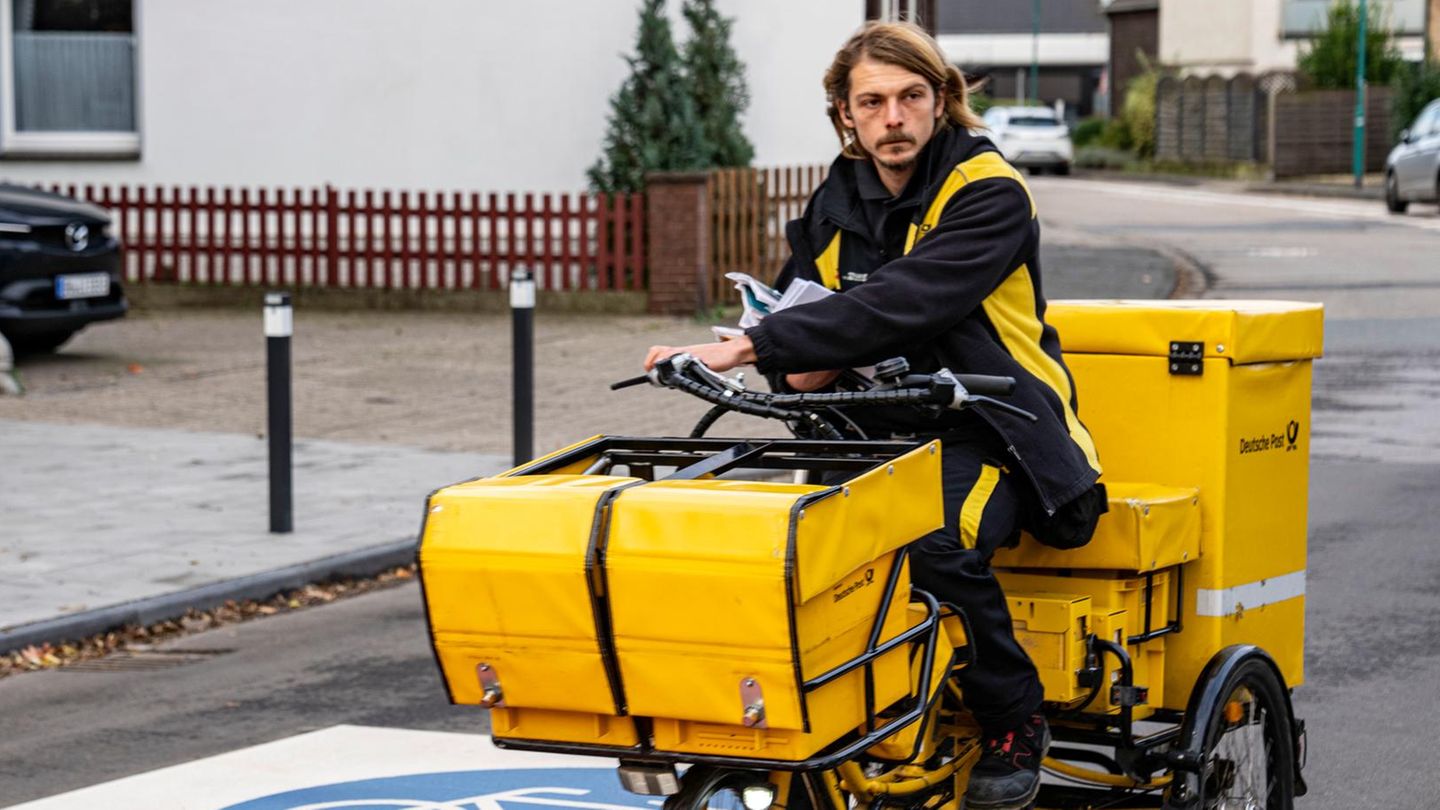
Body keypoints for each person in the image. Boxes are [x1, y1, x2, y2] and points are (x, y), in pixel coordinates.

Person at [643, 21, 1105, 810]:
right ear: (845, 115)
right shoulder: (840, 195)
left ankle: (1012, 717)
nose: (893, 117)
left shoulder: (988, 190)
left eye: (910, 98)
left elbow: (905, 301)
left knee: (933, 542)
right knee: (789, 552)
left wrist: (752, 347)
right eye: (873, 102)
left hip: (995, 430)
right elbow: (804, 302)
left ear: (941, 102)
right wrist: (780, 360)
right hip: (869, 430)